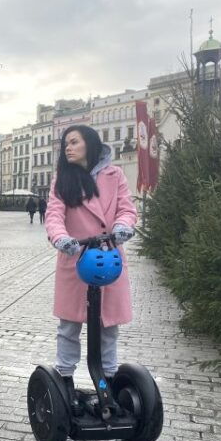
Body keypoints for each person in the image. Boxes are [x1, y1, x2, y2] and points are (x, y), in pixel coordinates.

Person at [44, 125, 137, 406]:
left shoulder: (115, 175)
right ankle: (65, 382)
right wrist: (62, 239)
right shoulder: (63, 178)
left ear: (90, 144)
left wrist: (123, 226)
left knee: (108, 327)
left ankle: (107, 385)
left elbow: (127, 208)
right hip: (77, 258)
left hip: (109, 260)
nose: (68, 148)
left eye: (74, 142)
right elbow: (54, 214)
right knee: (69, 327)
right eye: (65, 145)